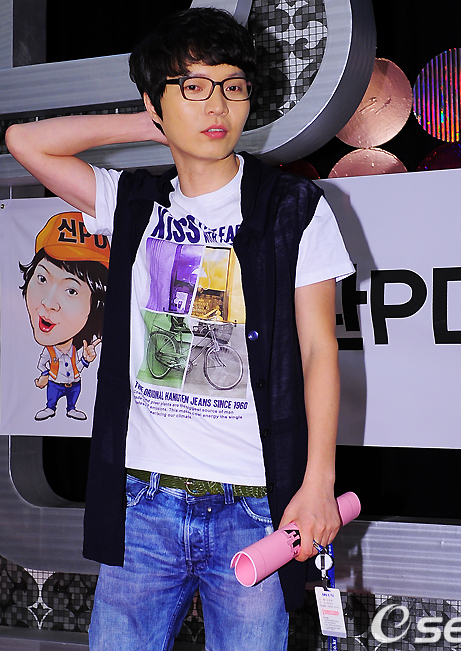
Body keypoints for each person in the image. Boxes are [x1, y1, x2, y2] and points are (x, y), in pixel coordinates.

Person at [6, 7, 354, 650]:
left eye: (232, 85)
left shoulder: (292, 208)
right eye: (193, 87)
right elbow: (25, 142)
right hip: (144, 503)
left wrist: (318, 484)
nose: (216, 104)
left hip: (253, 507)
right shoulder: (132, 201)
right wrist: (148, 122)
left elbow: (317, 351)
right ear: (156, 102)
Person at [19, 211, 109, 421]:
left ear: (96, 305)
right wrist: (43, 376)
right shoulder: (48, 353)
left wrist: (86, 358)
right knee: (51, 399)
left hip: (73, 384)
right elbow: (43, 365)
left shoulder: (79, 351)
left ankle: (71, 408)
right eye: (42, 278)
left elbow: (79, 365)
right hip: (53, 383)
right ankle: (50, 407)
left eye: (71, 290)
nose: (48, 303)